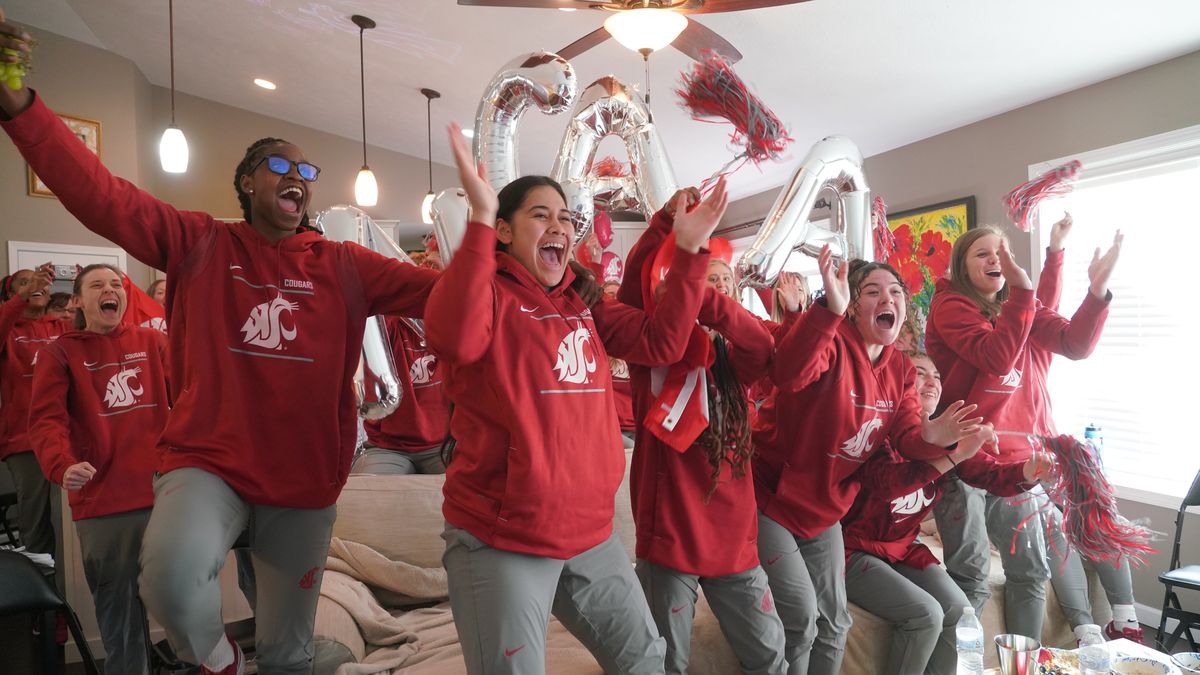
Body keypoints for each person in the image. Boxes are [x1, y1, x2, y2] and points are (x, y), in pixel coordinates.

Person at [0, 25, 440, 674]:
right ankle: (219, 660)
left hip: (302, 481)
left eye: (306, 171)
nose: (297, 178)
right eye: (280, 167)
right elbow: (102, 196)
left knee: (290, 654)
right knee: (172, 581)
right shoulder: (201, 242)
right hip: (210, 463)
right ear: (246, 183)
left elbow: (442, 295)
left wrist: (517, 258)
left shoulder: (342, 263)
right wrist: (20, 108)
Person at [427, 123, 727, 675]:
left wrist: (686, 250)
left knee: (646, 662)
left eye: (566, 217)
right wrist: (477, 216)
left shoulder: (583, 304)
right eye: (540, 214)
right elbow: (453, 338)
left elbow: (663, 342)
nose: (559, 225)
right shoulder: (486, 292)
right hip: (503, 539)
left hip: (592, 535)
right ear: (504, 231)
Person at [752, 251, 984, 675]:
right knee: (803, 620)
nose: (887, 299)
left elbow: (910, 436)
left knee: (836, 623)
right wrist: (827, 312)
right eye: (872, 291)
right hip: (771, 499)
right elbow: (789, 373)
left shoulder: (900, 368)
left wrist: (939, 436)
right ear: (853, 306)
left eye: (895, 292)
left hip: (825, 511)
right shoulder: (832, 342)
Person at [926, 217, 1121, 641]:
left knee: (1031, 572)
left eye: (1002, 252)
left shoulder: (1018, 307)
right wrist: (1028, 294)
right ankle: (962, 666)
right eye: (982, 253)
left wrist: (1096, 292)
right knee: (973, 575)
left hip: (1013, 464)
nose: (995, 259)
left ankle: (1024, 663)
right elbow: (996, 356)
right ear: (962, 266)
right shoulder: (951, 306)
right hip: (964, 460)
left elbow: (1075, 343)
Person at [619, 190, 787, 675]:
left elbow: (758, 342)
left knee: (769, 654)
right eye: (704, 281)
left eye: (724, 284)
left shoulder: (740, 358)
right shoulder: (654, 349)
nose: (714, 292)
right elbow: (633, 292)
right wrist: (663, 224)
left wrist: (705, 296)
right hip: (670, 533)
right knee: (666, 660)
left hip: (735, 537)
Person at [841, 352, 1054, 675]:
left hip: (903, 550)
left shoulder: (950, 438)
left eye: (937, 376)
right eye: (920, 373)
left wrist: (1029, 470)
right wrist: (951, 458)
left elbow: (991, 474)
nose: (932, 381)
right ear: (900, 381)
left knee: (959, 609)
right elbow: (888, 484)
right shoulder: (878, 428)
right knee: (926, 613)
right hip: (853, 548)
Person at [29, 263, 169, 675]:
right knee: (120, 614)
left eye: (116, 284)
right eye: (97, 285)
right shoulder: (60, 352)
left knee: (185, 601)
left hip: (165, 492)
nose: (111, 290)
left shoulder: (153, 342)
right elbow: (46, 420)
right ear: (78, 300)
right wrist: (62, 465)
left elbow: (190, 398)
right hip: (104, 501)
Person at [1, 263, 70, 561]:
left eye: (39, 281)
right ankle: (42, 600)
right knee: (37, 521)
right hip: (24, 440)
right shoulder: (8, 330)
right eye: (24, 283)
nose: (36, 285)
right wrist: (23, 296)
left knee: (69, 517)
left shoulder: (61, 327)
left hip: (69, 435)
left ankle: (74, 595)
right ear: (11, 295)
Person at [351, 316, 450, 475]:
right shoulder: (386, 322)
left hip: (446, 445)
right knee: (365, 492)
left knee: (474, 492)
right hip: (386, 447)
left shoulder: (455, 323)